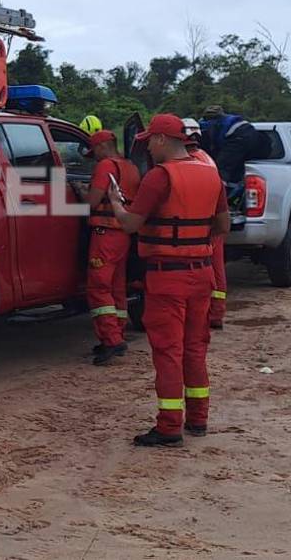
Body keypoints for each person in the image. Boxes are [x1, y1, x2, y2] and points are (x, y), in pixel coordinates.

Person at [108, 113, 229, 447]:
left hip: (167, 278)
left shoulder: (160, 177)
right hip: (201, 274)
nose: (147, 148)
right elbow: (223, 226)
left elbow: (131, 224)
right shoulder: (211, 174)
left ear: (161, 140)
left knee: (168, 351)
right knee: (195, 349)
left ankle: (169, 425)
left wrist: (117, 205)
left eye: (149, 142)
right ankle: (198, 420)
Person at [81, 129, 141, 366]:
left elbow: (93, 201)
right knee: (117, 287)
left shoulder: (106, 166)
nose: (94, 157)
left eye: (94, 151)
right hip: (123, 233)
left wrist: (80, 191)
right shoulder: (131, 166)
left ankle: (112, 339)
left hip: (105, 234)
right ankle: (117, 333)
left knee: (98, 287)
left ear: (103, 146)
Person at [183, 118, 227, 330]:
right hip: (211, 223)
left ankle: (211, 314)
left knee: (206, 271)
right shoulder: (206, 158)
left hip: (199, 227)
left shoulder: (191, 160)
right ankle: (216, 313)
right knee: (216, 271)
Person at [198, 106, 268, 194]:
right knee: (237, 165)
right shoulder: (232, 120)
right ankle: (235, 189)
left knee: (222, 167)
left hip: (238, 138)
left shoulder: (208, 124)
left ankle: (220, 194)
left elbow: (212, 145)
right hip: (253, 138)